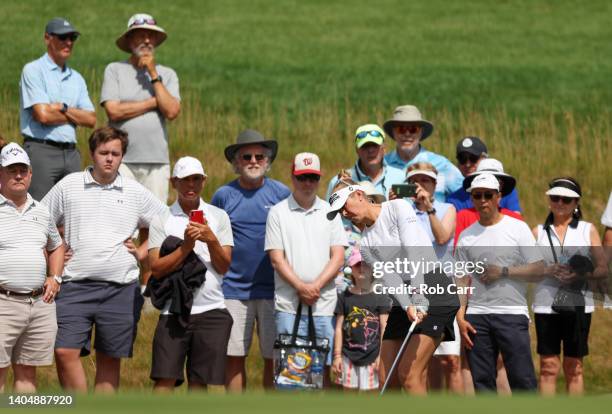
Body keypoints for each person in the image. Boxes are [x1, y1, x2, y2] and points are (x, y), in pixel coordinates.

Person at [41, 126, 167, 393]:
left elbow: (168, 222)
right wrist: (59, 248)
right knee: (64, 351)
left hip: (120, 289)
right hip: (74, 285)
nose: (109, 158)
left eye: (116, 153)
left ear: (122, 157)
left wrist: (143, 251)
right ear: (92, 153)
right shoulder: (69, 185)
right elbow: (39, 220)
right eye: (103, 153)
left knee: (109, 360)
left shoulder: (134, 191)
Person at [327, 182, 459, 395]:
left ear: (359, 195)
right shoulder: (367, 245)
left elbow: (413, 251)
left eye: (344, 206)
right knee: (386, 379)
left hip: (434, 286)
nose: (344, 213)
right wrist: (408, 304)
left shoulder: (397, 207)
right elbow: (391, 279)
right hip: (405, 295)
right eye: (339, 212)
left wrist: (417, 296)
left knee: (409, 375)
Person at [211, 129, 290, 391]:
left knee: (273, 357)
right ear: (236, 162)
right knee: (234, 357)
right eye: (247, 156)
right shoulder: (223, 196)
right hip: (233, 289)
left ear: (268, 161)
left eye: (259, 156)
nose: (253, 161)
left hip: (274, 290)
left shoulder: (281, 193)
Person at [147, 156, 234, 392]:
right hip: (173, 311)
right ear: (174, 182)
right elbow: (155, 268)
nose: (190, 186)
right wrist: (186, 247)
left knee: (199, 382)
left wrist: (211, 239)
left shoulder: (218, 217)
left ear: (204, 181)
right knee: (164, 380)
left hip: (212, 310)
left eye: (196, 179)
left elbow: (224, 266)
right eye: (185, 180)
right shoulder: (161, 219)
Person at [455, 173, 545, 393]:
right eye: (477, 195)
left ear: (498, 197)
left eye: (488, 195)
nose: (483, 200)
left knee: (523, 380)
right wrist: (460, 316)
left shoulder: (517, 228)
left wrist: (503, 272)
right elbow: (460, 279)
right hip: (476, 316)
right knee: (482, 384)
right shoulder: (466, 236)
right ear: (471, 198)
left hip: (511, 313)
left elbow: (539, 270)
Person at [265, 152, 347, 386]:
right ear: (293, 177)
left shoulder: (330, 211)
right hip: (288, 304)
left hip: (324, 303)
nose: (308, 183)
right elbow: (276, 258)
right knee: (289, 370)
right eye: (302, 177)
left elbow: (338, 256)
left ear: (319, 179)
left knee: (327, 367)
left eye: (313, 177)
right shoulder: (278, 212)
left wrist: (315, 286)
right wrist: (302, 287)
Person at [532, 177, 608, 395]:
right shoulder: (537, 232)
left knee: (574, 367)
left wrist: (578, 274)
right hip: (546, 306)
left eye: (566, 199)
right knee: (548, 367)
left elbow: (603, 268)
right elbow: (525, 270)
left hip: (578, 305)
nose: (560, 203)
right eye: (555, 198)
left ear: (576, 203)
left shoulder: (587, 229)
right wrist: (547, 271)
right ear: (549, 200)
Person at [0, 143, 64, 393]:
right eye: (11, 170)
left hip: (39, 304)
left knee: (27, 374)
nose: (18, 175)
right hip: (3, 302)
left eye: (22, 170)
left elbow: (56, 246)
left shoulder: (43, 211)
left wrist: (55, 277)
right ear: (0, 173)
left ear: (30, 174)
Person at [101, 13, 180, 204]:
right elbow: (113, 111)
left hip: (157, 161)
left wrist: (153, 73)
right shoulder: (114, 70)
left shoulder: (167, 74)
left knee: (155, 222)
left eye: (151, 35)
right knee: (121, 218)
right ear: (129, 40)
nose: (146, 40)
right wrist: (154, 102)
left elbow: (171, 111)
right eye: (140, 35)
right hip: (121, 160)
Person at [401, 163, 462, 394]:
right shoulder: (402, 212)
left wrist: (428, 208)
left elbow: (443, 236)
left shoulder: (447, 208)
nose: (419, 186)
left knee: (451, 361)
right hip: (413, 291)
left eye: (425, 180)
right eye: (414, 181)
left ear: (435, 185)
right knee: (421, 365)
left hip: (441, 291)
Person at [19, 17, 96, 201]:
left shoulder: (76, 78)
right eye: (62, 37)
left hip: (71, 154)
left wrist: (62, 108)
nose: (68, 42)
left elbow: (91, 119)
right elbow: (43, 115)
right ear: (47, 38)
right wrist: (75, 114)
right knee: (40, 210)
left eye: (72, 38)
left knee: (71, 214)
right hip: (41, 150)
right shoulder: (33, 70)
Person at [332, 248, 391, 392]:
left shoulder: (380, 297)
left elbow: (384, 327)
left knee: (370, 396)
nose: (362, 268)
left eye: (366, 264)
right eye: (357, 265)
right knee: (348, 396)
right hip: (348, 357)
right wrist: (337, 355)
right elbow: (339, 328)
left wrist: (381, 356)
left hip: (373, 356)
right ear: (351, 268)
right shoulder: (344, 297)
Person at [382, 105, 463, 201]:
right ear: (393, 132)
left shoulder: (442, 164)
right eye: (401, 129)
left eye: (413, 129)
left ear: (421, 132)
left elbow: (466, 196)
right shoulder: (382, 164)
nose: (407, 134)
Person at [453, 159, 524, 246]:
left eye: (495, 180)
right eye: (478, 195)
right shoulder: (463, 217)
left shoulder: (515, 219)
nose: (488, 183)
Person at [326, 124, 404, 200]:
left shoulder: (400, 177)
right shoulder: (339, 182)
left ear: (384, 148)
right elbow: (330, 211)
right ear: (357, 150)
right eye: (365, 146)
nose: (370, 150)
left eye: (375, 145)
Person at [446, 138, 521, 213]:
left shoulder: (507, 192)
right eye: (462, 159)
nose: (468, 164)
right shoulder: (453, 200)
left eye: (473, 158)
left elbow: (516, 219)